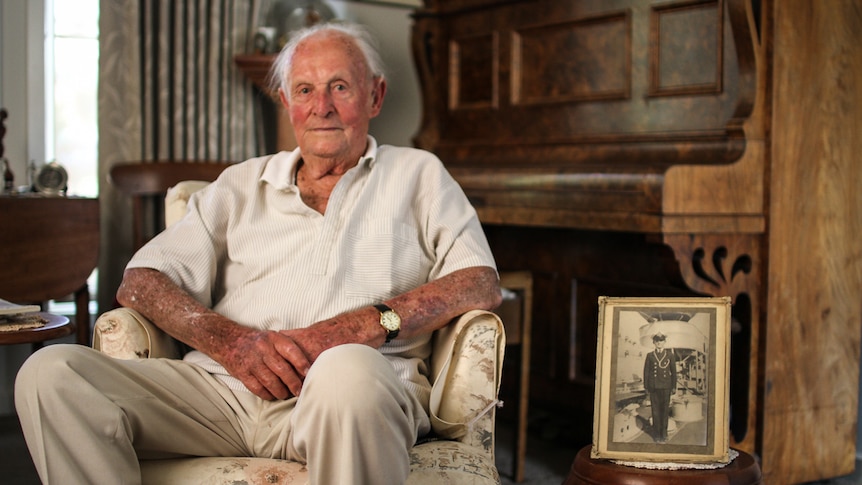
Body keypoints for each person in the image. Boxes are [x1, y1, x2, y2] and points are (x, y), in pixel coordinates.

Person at [15, 22, 501, 484]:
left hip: (345, 397)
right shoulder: (239, 183)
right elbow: (140, 280)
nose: (322, 106)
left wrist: (360, 327)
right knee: (51, 373)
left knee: (347, 369)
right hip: (221, 395)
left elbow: (478, 280)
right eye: (305, 90)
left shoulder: (418, 174)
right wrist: (231, 343)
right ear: (287, 101)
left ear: (374, 95)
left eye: (340, 87)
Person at [643, 332, 677, 443]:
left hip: (666, 387)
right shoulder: (650, 355)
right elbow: (646, 372)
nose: (659, 343)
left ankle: (664, 434)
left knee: (664, 411)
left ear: (664, 342)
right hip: (654, 387)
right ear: (654, 342)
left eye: (661, 341)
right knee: (655, 412)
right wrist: (646, 386)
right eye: (657, 341)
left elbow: (673, 372)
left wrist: (673, 387)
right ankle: (657, 435)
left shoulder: (670, 355)